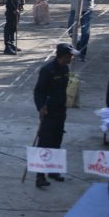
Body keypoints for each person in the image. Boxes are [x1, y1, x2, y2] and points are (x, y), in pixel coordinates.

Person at [33, 43, 78, 188]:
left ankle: (53, 170)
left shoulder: (65, 68)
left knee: (57, 140)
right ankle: (40, 176)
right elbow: (39, 91)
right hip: (49, 111)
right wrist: (41, 107)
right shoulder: (47, 70)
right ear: (64, 56)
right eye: (70, 55)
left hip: (60, 111)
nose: (72, 58)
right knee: (45, 142)